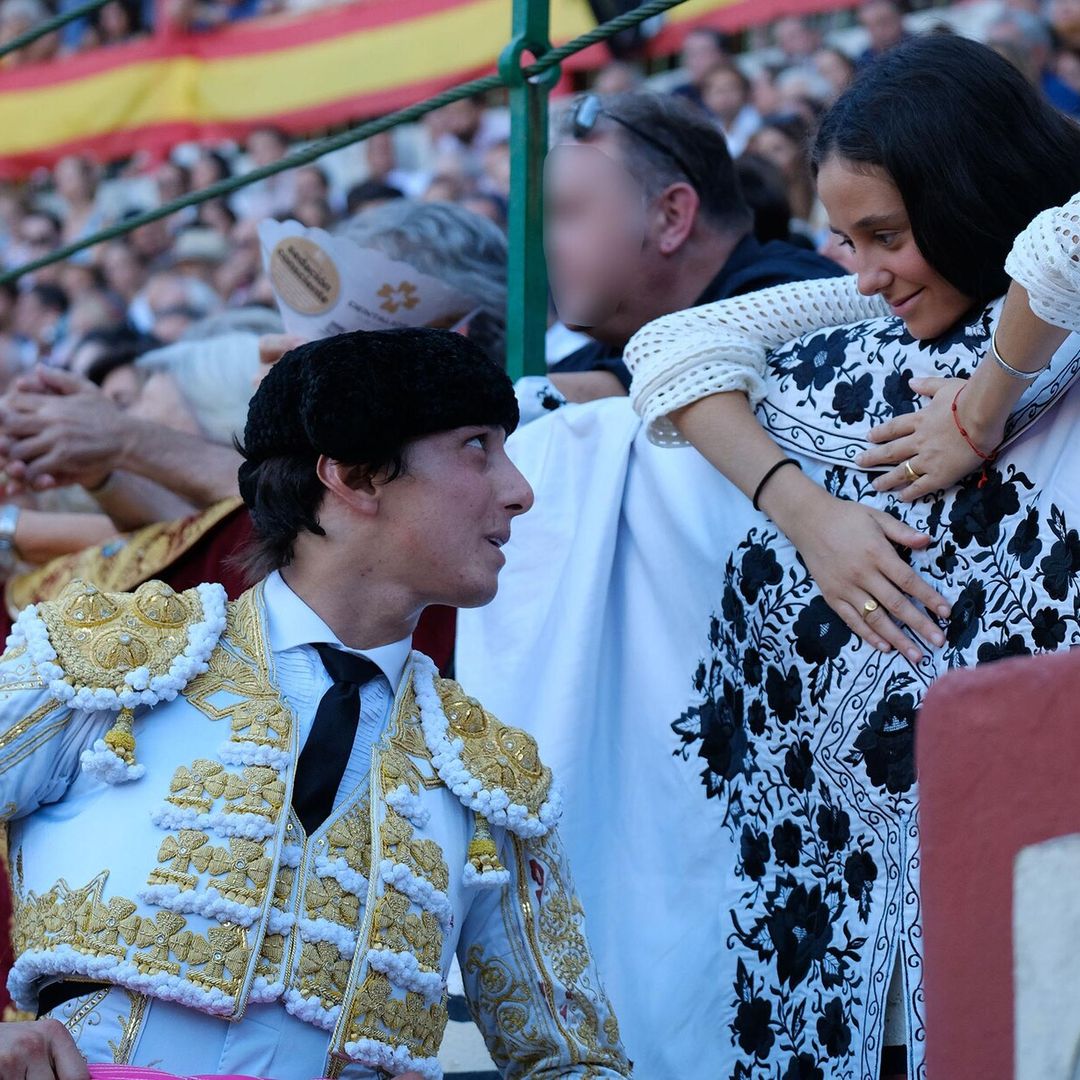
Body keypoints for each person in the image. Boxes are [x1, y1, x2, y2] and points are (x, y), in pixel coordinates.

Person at [457, 33, 1080, 1080]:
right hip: (839, 918)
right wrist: (806, 514)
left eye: (885, 232)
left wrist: (979, 411)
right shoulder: (870, 306)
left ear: (973, 194)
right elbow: (667, 350)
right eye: (843, 239)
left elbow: (1065, 242)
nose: (867, 273)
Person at [0, 327, 630, 1079]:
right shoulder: (111, 660)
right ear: (354, 477)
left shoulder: (488, 774)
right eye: (475, 447)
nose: (518, 490)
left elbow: (573, 1063)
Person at [544, 92, 843, 401]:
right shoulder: (583, 365)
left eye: (570, 212)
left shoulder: (808, 310)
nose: (549, 245)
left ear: (672, 216)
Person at [671, 26, 731, 110]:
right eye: (689, 54)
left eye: (702, 52)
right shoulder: (679, 96)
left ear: (723, 56)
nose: (694, 61)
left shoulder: (745, 94)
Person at [856, 0, 909, 67]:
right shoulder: (863, 60)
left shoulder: (920, 47)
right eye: (871, 26)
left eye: (883, 23)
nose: (879, 31)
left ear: (899, 17)